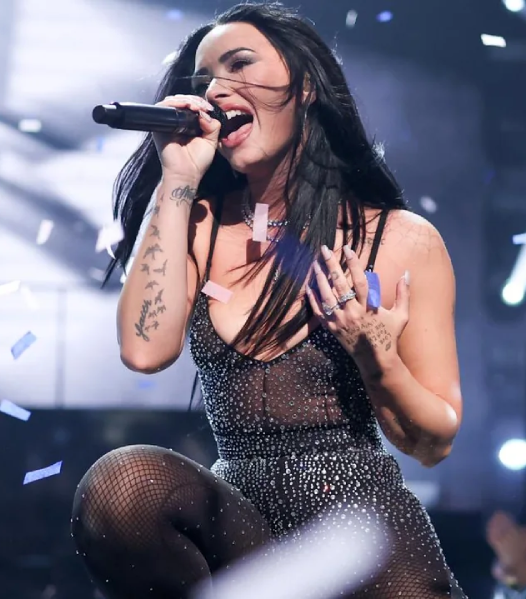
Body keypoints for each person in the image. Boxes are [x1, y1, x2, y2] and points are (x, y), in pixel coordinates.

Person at [71, 3, 464, 597]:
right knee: (122, 483)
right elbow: (145, 352)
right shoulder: (196, 222)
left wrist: (375, 352)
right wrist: (176, 177)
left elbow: (433, 441)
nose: (216, 90)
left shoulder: (400, 238)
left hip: (358, 526)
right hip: (241, 527)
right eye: (203, 82)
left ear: (304, 86)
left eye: (239, 65)